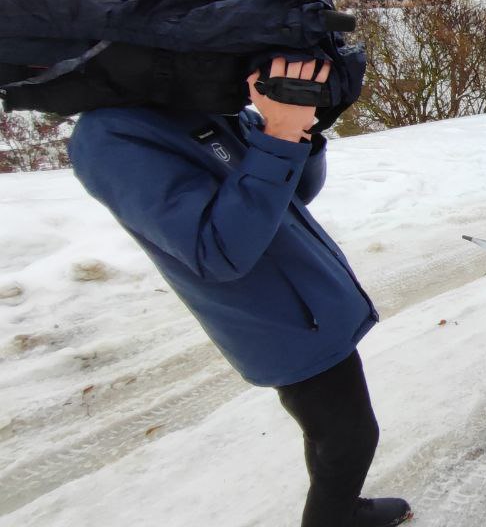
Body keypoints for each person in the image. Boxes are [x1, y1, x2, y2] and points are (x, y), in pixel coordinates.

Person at [68, 57, 411, 527]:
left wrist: (301, 129)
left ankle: (342, 510)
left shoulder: (201, 105)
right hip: (276, 322)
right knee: (350, 438)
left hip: (308, 301)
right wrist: (277, 138)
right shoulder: (110, 137)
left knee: (332, 435)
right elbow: (218, 251)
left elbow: (294, 192)